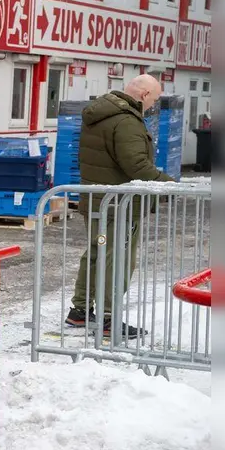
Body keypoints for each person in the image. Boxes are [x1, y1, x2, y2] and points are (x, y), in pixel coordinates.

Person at [68, 73, 173, 337]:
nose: (154, 105)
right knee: (119, 259)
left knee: (96, 252)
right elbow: (136, 164)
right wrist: (167, 186)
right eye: (155, 99)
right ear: (145, 95)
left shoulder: (103, 113)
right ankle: (107, 319)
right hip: (118, 206)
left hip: (98, 200)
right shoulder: (126, 121)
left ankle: (80, 311)